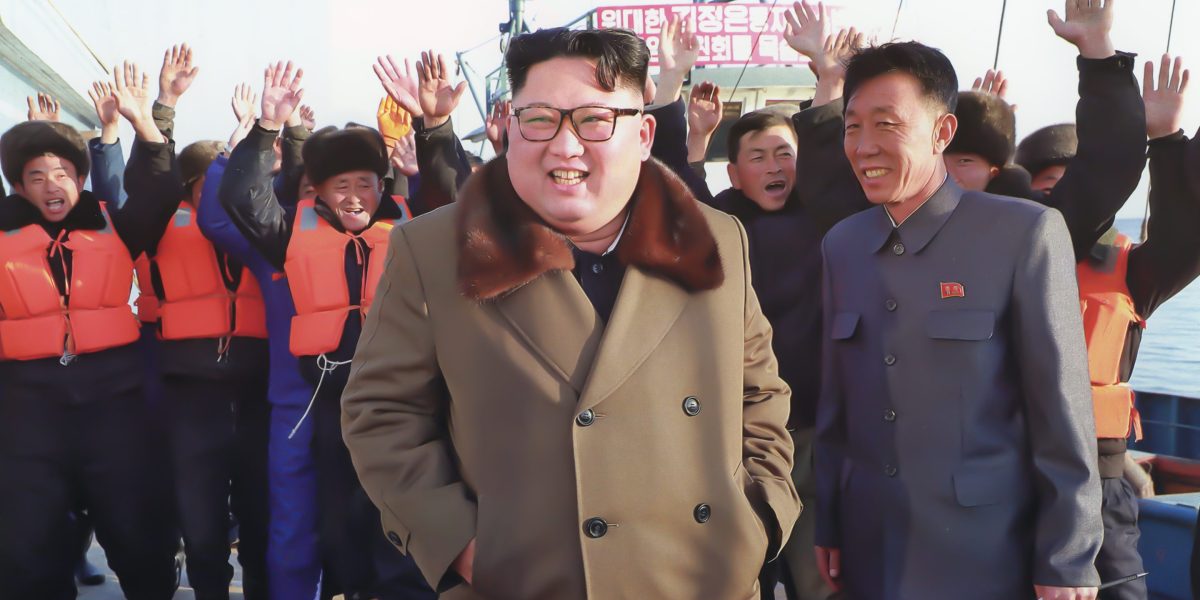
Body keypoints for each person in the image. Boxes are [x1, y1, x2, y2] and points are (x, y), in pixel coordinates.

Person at [341, 27, 800, 599]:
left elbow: (759, 392)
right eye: (539, 119)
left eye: (594, 120)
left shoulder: (717, 237)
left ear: (644, 134)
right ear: (511, 126)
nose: (564, 146)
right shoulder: (435, 249)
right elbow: (381, 412)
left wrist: (761, 517)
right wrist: (461, 546)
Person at [813, 40, 1103, 599]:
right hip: (869, 548)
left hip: (987, 553)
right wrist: (829, 521)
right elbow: (836, 407)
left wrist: (1067, 559)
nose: (865, 145)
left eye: (887, 124)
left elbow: (1062, 413)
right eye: (852, 127)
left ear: (942, 132)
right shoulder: (841, 245)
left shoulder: (1023, 233)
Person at [219, 60, 434, 600]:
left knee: (403, 512)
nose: (355, 196)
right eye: (342, 186)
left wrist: (434, 126)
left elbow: (458, 195)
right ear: (320, 190)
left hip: (405, 399)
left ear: (382, 185)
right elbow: (241, 196)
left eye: (365, 184)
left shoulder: (417, 225)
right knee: (339, 517)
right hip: (327, 399)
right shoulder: (290, 231)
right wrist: (267, 126)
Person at [0, 74, 178, 599]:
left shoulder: (115, 224)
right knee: (29, 539)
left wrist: (144, 120)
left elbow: (160, 191)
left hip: (114, 399)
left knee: (137, 526)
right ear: (19, 187)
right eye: (36, 176)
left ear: (81, 178)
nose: (51, 185)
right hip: (27, 407)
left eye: (62, 173)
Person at [118, 44, 272, 600]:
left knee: (262, 516)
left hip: (257, 395)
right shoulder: (161, 221)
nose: (223, 193)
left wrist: (269, 130)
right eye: (210, 182)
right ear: (188, 190)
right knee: (201, 524)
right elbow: (150, 182)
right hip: (186, 393)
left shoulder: (264, 228)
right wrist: (161, 109)